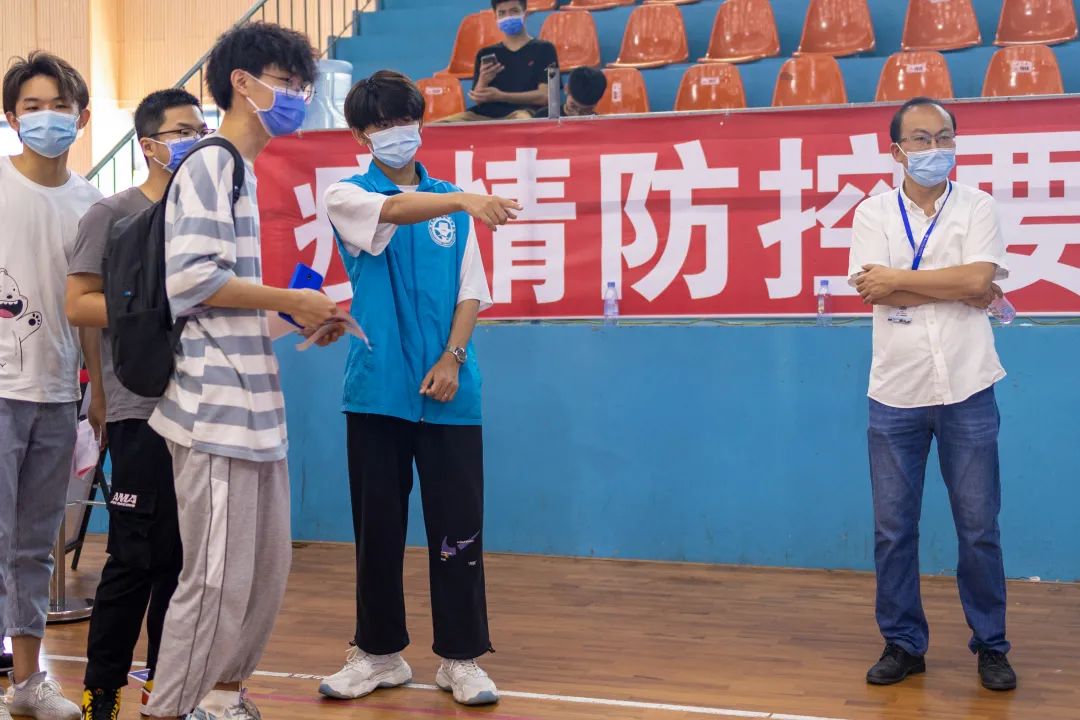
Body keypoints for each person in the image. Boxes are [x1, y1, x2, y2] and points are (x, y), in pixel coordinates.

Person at [140, 23, 340, 720]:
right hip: (213, 411)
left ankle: (222, 698)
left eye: (303, 86)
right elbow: (192, 282)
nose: (297, 98)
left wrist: (298, 318)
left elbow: (227, 304)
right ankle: (168, 709)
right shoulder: (210, 164)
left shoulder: (241, 173)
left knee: (262, 574)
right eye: (287, 83)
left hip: (254, 409)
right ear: (242, 83)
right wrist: (291, 297)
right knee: (216, 580)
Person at [319, 70, 520, 707]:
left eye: (404, 120)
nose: (395, 133)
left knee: (457, 531)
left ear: (421, 123)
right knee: (378, 529)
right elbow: (393, 212)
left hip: (450, 393)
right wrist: (463, 200)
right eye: (380, 125)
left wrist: (453, 359)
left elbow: (470, 291)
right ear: (361, 137)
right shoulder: (349, 194)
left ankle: (461, 658)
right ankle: (378, 653)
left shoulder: (452, 207)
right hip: (377, 391)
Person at [849, 97, 1017, 692]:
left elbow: (980, 279)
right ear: (897, 151)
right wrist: (952, 286)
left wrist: (902, 278)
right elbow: (876, 292)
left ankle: (991, 646)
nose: (935, 149)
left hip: (968, 385)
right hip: (896, 390)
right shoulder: (872, 213)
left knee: (979, 526)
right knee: (893, 529)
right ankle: (903, 644)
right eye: (921, 139)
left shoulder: (978, 205)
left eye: (944, 137)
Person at [65, 88, 209, 720]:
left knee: (184, 562)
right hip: (138, 406)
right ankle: (102, 692)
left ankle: (166, 690)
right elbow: (80, 305)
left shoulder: (207, 217)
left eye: (201, 130)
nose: (196, 142)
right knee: (134, 556)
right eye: (183, 132)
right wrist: (100, 390)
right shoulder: (113, 214)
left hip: (204, 409)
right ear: (149, 145)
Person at [1, 51, 102, 720]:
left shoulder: (91, 203)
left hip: (59, 393)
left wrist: (98, 392)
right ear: (11, 118)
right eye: (31, 107)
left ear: (82, 117)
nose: (45, 118)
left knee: (35, 545)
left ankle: (28, 682)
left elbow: (88, 302)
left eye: (58, 106)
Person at [438, 0, 557, 122]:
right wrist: (483, 80)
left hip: (522, 113)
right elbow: (479, 98)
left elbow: (548, 96)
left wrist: (501, 96)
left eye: (514, 11)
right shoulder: (485, 53)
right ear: (496, 17)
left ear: (525, 14)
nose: (508, 17)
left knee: (521, 121)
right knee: (440, 125)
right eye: (502, 13)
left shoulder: (546, 49)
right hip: (483, 114)